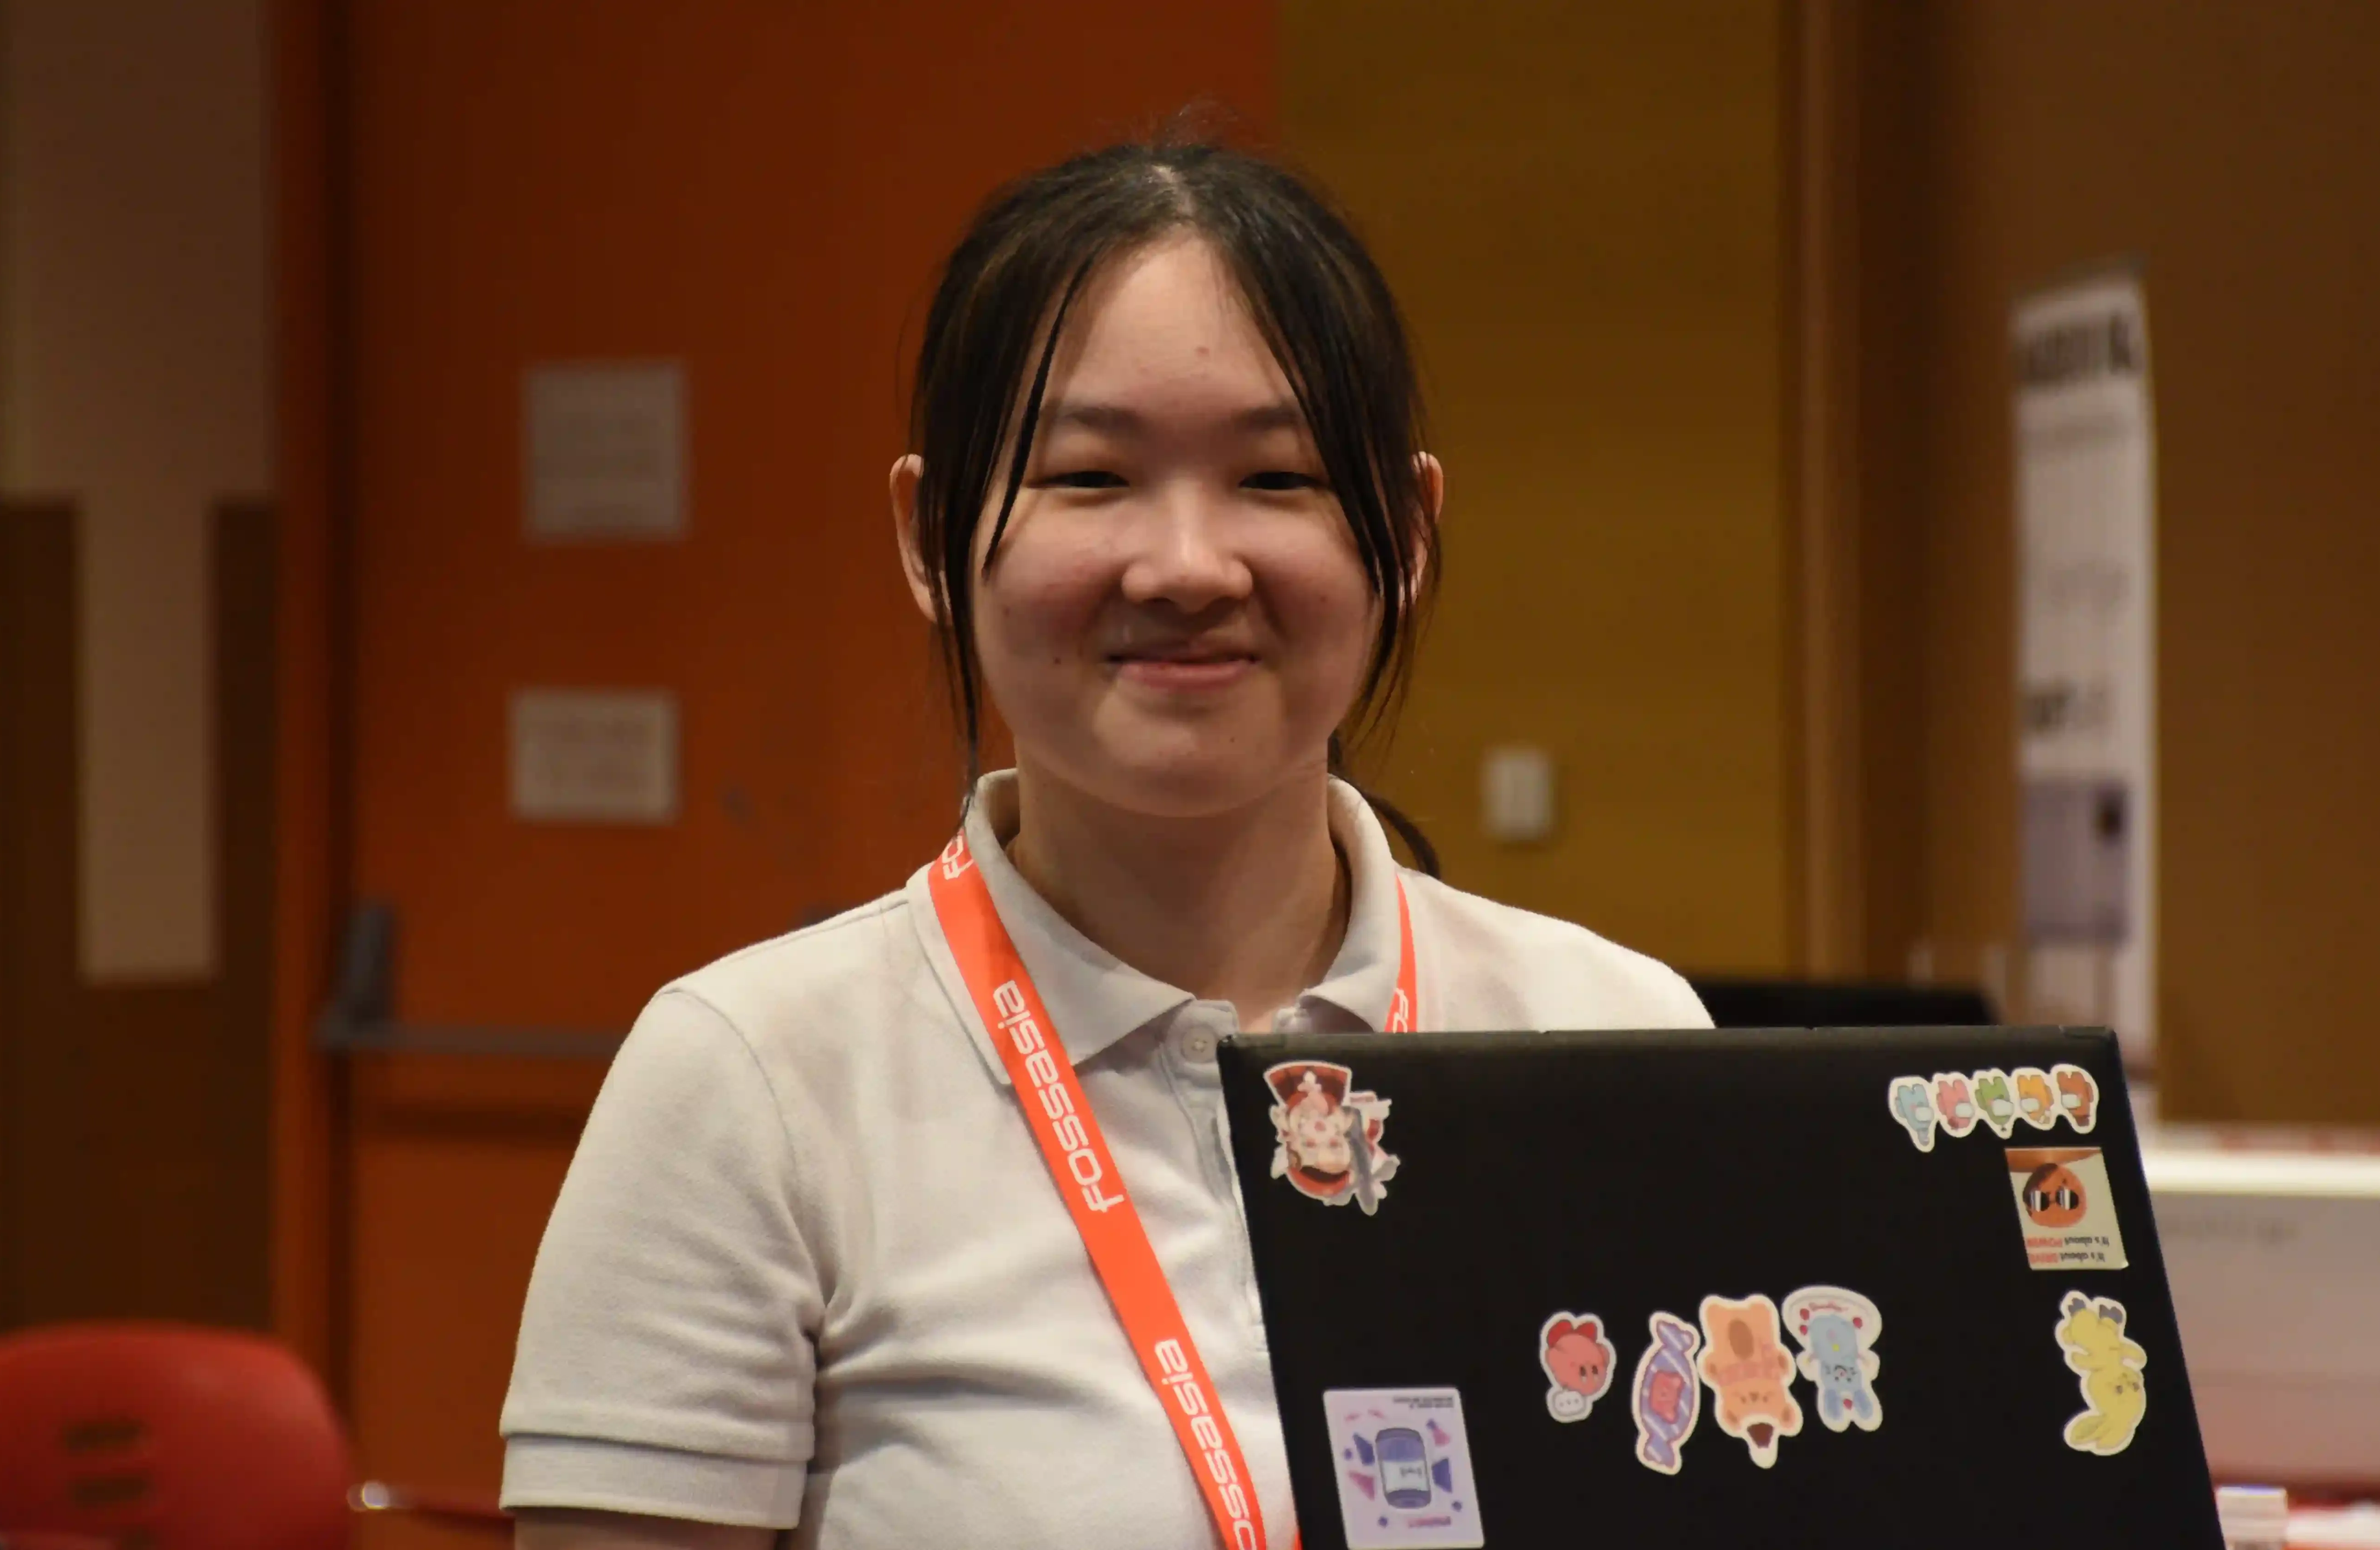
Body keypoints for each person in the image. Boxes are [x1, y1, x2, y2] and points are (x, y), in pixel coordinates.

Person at [502, 128, 1709, 1550]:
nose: (1188, 566)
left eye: (1278, 480)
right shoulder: (751, 1087)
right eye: (1089, 478)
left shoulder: (1618, 1037)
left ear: (1410, 528)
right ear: (929, 534)